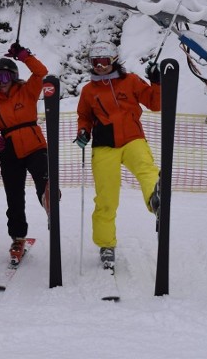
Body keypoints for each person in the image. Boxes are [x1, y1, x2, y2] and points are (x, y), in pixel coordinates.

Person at [75, 40, 162, 269]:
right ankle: (106, 245)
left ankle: (157, 199)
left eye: (104, 61)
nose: (100, 66)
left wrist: (157, 81)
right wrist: (83, 131)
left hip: (133, 138)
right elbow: (83, 116)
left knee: (146, 169)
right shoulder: (88, 91)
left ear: (113, 60)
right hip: (104, 146)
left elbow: (155, 103)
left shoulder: (130, 81)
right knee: (106, 199)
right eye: (95, 62)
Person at [0, 43, 51, 264]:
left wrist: (25, 56)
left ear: (12, 76)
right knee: (14, 197)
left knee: (44, 179)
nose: (0, 82)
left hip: (34, 144)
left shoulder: (27, 90)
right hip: (10, 149)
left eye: (4, 77)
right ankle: (18, 238)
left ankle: (50, 201)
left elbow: (41, 72)